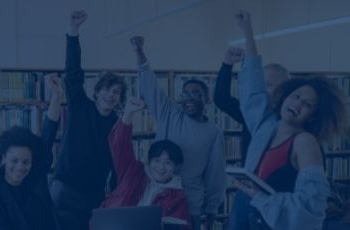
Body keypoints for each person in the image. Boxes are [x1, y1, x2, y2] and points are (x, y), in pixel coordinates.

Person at [229, 10, 349, 230]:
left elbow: (311, 207)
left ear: (313, 116)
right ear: (285, 96)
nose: (298, 104)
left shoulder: (305, 142)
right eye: (296, 96)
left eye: (308, 105)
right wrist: (247, 31)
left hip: (269, 221)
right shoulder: (266, 125)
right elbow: (252, 89)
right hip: (243, 211)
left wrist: (261, 198)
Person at [130, 36, 226, 230]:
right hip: (159, 196)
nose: (189, 98)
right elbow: (150, 87)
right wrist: (139, 52)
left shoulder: (214, 132)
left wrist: (212, 210)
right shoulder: (170, 113)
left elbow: (216, 174)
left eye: (196, 94)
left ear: (207, 99)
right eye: (185, 93)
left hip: (191, 204)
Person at [50, 10, 127, 230]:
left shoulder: (117, 125)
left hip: (93, 196)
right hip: (64, 189)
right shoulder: (80, 106)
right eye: (107, 90)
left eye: (116, 93)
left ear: (119, 100)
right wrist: (73, 32)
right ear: (97, 92)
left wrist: (115, 196)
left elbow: (117, 164)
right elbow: (73, 71)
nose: (110, 95)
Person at [0, 74, 63, 230]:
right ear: (3, 158)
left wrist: (57, 97)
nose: (20, 167)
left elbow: (48, 133)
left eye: (26, 162)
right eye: (14, 161)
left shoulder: (36, 176)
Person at [98, 97, 191, 229]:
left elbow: (183, 226)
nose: (161, 168)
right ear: (149, 161)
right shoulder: (133, 173)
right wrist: (128, 113)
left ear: (175, 167)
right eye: (157, 161)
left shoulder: (178, 196)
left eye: (168, 163)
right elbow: (119, 146)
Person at [213, 48, 289, 165]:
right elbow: (221, 99)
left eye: (268, 85)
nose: (261, 90)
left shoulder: (293, 118)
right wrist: (227, 64)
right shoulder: (250, 113)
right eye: (262, 84)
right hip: (250, 179)